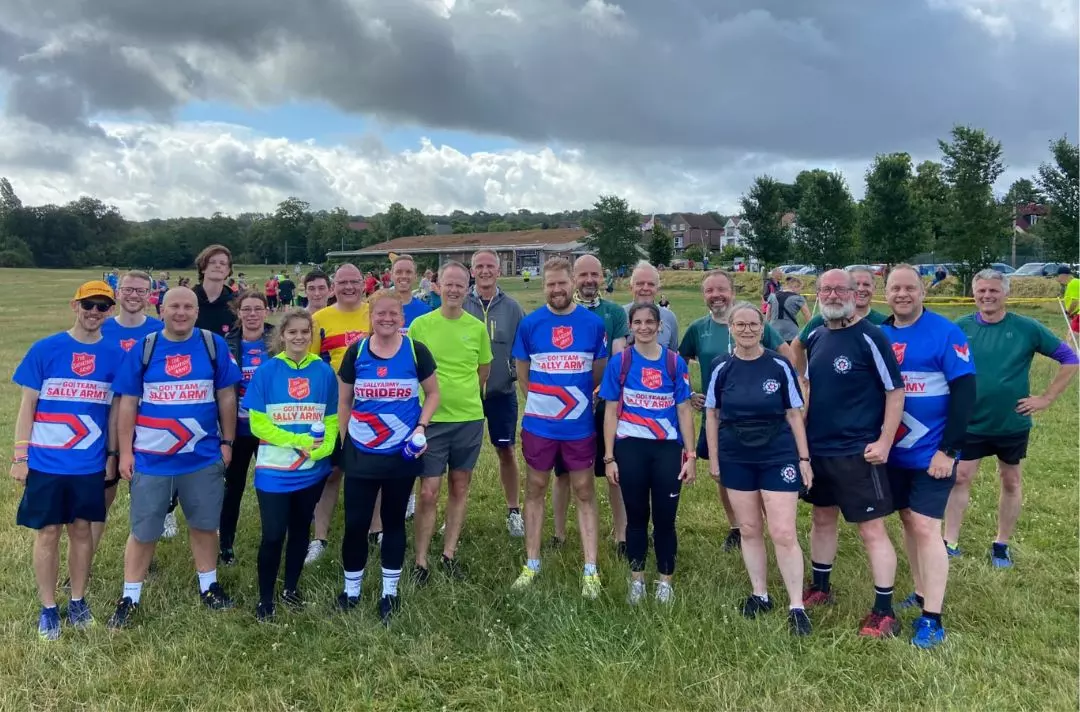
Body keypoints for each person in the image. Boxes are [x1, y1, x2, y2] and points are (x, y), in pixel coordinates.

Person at [107, 287, 243, 629]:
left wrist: (227, 441)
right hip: (153, 459)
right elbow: (128, 402)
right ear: (161, 309)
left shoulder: (213, 345)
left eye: (188, 306)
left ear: (197, 311)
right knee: (144, 529)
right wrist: (125, 451)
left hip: (201, 456)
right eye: (174, 306)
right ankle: (130, 595)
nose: (181, 312)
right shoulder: (146, 347)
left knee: (204, 524)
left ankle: (209, 586)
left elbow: (226, 396)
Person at [11, 281, 122, 639]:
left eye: (102, 306)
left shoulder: (116, 354)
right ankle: (48, 608)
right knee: (47, 532)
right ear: (75, 305)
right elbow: (28, 405)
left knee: (81, 531)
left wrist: (112, 455)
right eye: (88, 304)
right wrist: (20, 455)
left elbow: (117, 411)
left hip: (88, 463)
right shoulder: (46, 348)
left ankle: (77, 600)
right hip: (46, 462)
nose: (94, 312)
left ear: (109, 312)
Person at [799, 269, 906, 638]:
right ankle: (821, 587)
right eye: (825, 289)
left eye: (838, 289)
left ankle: (884, 611)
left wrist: (885, 440)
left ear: (854, 292)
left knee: (871, 530)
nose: (831, 295)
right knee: (822, 519)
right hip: (819, 449)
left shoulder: (871, 337)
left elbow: (895, 391)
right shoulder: (815, 335)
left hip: (858, 452)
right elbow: (808, 385)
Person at [946, 270, 1078, 566]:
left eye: (993, 291)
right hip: (971, 421)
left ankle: (1001, 545)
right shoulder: (960, 327)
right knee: (961, 478)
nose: (987, 296)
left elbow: (1071, 358)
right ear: (974, 293)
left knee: (1010, 480)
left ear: (1005, 293)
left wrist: (1046, 398)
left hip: (1011, 422)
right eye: (981, 291)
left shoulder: (1026, 328)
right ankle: (949, 541)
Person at [880, 265, 976, 649]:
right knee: (907, 521)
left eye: (910, 288)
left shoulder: (945, 332)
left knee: (925, 527)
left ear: (923, 291)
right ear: (885, 293)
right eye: (895, 288)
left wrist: (949, 450)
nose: (902, 294)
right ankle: (919, 591)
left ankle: (932, 618)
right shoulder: (880, 334)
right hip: (892, 455)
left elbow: (966, 394)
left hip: (932, 455)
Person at [703, 302, 813, 635]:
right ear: (731, 328)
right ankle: (760, 593)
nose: (747, 330)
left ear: (762, 326)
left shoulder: (779, 364)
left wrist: (804, 459)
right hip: (737, 455)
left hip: (777, 455)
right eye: (741, 325)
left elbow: (794, 414)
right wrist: (716, 457)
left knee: (783, 532)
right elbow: (711, 414)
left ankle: (797, 605)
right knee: (749, 529)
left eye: (754, 324)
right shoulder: (722, 367)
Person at [336, 290, 440, 624]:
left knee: (394, 522)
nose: (386, 319)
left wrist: (422, 426)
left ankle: (389, 592)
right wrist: (344, 440)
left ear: (402, 317)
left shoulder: (415, 350)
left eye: (393, 314)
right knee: (356, 523)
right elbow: (344, 400)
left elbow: (434, 393)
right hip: (361, 450)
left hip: (401, 452)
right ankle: (351, 591)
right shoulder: (357, 352)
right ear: (371, 315)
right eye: (380, 313)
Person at [511, 257, 608, 597]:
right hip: (540, 425)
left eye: (562, 283)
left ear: (572, 284)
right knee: (535, 487)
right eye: (550, 284)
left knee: (584, 490)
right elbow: (522, 373)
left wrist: (576, 398)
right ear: (544, 287)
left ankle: (590, 569)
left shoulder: (593, 325)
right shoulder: (530, 324)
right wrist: (542, 402)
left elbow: (598, 370)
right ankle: (532, 563)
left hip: (578, 425)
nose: (556, 289)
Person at [679, 270, 793, 552]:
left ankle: (772, 527)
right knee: (726, 473)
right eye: (710, 291)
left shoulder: (752, 322)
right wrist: (690, 392)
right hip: (719, 417)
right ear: (703, 295)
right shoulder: (697, 328)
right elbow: (680, 362)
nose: (716, 295)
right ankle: (737, 527)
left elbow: (787, 355)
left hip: (762, 418)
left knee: (766, 476)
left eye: (722, 289)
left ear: (732, 291)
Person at [242, 309, 338, 621]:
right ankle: (265, 598)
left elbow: (332, 418)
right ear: (282, 335)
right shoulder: (267, 371)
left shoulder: (323, 372)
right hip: (274, 470)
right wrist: (294, 441)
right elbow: (258, 424)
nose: (299, 337)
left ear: (312, 336)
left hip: (312, 470)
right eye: (292, 332)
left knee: (299, 530)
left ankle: (291, 588)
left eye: (304, 332)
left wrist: (324, 448)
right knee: (272, 534)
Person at [599, 303, 695, 604]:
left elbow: (684, 409)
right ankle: (637, 580)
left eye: (649, 322)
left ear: (659, 326)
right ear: (630, 326)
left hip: (667, 449)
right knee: (636, 517)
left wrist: (690, 455)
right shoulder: (621, 362)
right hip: (631, 448)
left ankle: (665, 581)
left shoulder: (674, 363)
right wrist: (610, 457)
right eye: (637, 322)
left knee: (666, 519)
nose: (643, 327)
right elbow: (611, 411)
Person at [406, 262, 491, 582]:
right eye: (448, 284)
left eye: (460, 284)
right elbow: (410, 368)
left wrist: (465, 396)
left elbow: (483, 371)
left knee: (460, 485)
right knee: (428, 491)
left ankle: (449, 553)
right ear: (437, 286)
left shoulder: (476, 327)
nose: (454, 289)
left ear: (467, 288)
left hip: (468, 419)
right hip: (430, 422)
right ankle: (421, 559)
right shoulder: (421, 326)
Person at [552, 254, 630, 553]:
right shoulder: (561, 312)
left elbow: (618, 360)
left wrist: (603, 392)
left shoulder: (614, 313)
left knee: (614, 471)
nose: (589, 280)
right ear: (573, 277)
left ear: (602, 276)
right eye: (583, 275)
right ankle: (558, 535)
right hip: (568, 408)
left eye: (594, 275)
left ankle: (622, 535)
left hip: (605, 405)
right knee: (563, 474)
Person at [305, 264, 371, 564]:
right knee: (331, 472)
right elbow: (309, 364)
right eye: (342, 282)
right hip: (333, 406)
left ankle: (377, 530)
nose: (348, 287)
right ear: (333, 287)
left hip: (373, 405)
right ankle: (319, 537)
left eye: (353, 281)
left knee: (374, 471)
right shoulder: (319, 319)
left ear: (363, 284)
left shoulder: (374, 313)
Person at [97, 271, 163, 549]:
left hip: (148, 423)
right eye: (129, 289)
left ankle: (144, 559)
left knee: (147, 500)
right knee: (102, 496)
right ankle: (83, 562)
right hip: (105, 422)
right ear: (118, 292)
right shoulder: (101, 327)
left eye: (140, 290)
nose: (134, 295)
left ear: (149, 296)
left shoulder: (160, 329)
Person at [464, 249, 527, 537]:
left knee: (506, 450)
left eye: (490, 266)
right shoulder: (460, 303)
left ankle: (513, 510)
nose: (485, 270)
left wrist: (516, 373)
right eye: (480, 266)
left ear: (498, 271)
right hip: (466, 393)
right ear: (472, 270)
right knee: (461, 455)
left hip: (502, 392)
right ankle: (455, 511)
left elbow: (523, 348)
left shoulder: (512, 307)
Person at [218, 291, 275, 566]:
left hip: (271, 429)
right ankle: (225, 543)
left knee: (272, 485)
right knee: (234, 486)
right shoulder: (228, 343)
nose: (252, 314)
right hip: (239, 428)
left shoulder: (278, 340)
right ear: (238, 313)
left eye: (258, 309)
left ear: (266, 311)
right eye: (247, 309)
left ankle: (275, 536)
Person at [791, 266, 887, 377]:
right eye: (856, 284)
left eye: (866, 284)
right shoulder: (822, 320)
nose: (860, 289)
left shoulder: (884, 322)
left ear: (874, 288)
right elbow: (797, 345)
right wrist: (803, 378)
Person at [623, 261, 679, 351]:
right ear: (631, 287)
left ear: (657, 289)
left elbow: (673, 354)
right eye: (640, 283)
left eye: (651, 284)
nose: (645, 288)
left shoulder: (669, 317)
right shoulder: (619, 315)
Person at [193, 245, 236, 338]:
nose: (217, 265)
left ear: (228, 270)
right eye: (212, 262)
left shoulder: (237, 303)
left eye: (223, 263)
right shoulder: (187, 299)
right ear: (203, 267)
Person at [765, 275, 811, 344]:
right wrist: (808, 332)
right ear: (795, 287)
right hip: (791, 334)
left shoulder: (772, 296)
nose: (800, 291)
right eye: (800, 288)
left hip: (774, 332)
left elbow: (768, 316)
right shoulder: (798, 298)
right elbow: (808, 317)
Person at [1057, 265, 1079, 335]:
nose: (1059, 280)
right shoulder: (1073, 283)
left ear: (1063, 275)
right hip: (1076, 315)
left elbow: (1075, 301)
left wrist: (1068, 312)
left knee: (1072, 339)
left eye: (1059, 277)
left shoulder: (1074, 283)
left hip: (1078, 316)